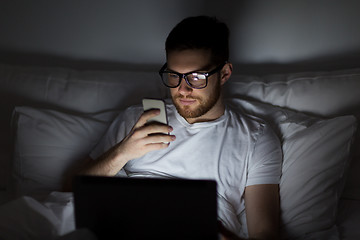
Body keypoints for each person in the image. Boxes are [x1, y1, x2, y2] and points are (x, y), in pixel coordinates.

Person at [66, 16, 282, 240]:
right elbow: (71, 190)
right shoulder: (137, 118)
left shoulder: (256, 138)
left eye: (197, 77)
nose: (183, 89)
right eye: (174, 76)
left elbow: (264, 233)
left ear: (225, 73)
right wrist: (123, 152)